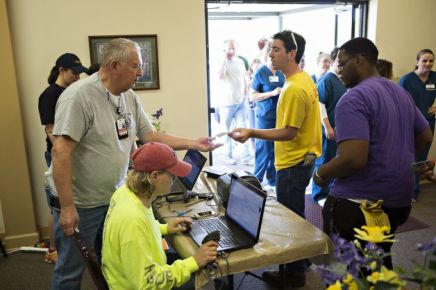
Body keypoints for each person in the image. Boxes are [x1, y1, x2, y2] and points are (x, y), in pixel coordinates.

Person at [49, 38, 219, 290]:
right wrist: (67, 207)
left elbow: (149, 136)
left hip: (113, 194)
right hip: (83, 202)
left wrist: (193, 143)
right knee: (70, 269)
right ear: (115, 65)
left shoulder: (128, 96)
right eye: (136, 66)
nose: (141, 73)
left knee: (114, 259)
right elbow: (60, 152)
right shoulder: (79, 97)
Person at [313, 38, 433, 269]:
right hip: (398, 200)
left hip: (359, 203)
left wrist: (321, 173)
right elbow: (425, 136)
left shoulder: (353, 98)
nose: (338, 71)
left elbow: (352, 159)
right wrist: (398, 157)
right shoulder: (399, 92)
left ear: (359, 60)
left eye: (341, 64)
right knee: (378, 261)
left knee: (351, 270)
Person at [230, 30, 322, 287]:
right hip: (302, 159)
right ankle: (301, 261)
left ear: (292, 54)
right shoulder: (304, 80)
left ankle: (293, 275)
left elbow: (288, 132)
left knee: (290, 220)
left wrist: (252, 132)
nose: (270, 53)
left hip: (293, 164)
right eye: (271, 49)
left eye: (276, 49)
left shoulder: (293, 88)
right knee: (297, 215)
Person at [102, 142, 218, 289]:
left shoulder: (127, 192)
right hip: (138, 283)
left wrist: (165, 228)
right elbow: (146, 283)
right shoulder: (133, 219)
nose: (175, 178)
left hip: (134, 271)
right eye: (172, 175)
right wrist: (194, 262)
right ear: (154, 176)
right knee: (209, 275)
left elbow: (143, 230)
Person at [38, 53, 88, 264]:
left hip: (70, 154)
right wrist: (63, 153)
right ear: (61, 70)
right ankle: (53, 250)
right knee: (59, 204)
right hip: (58, 155)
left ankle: (56, 247)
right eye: (73, 72)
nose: (77, 76)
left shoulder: (72, 92)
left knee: (64, 202)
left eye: (79, 73)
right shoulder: (50, 95)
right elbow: (51, 130)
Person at [311, 47, 347, 204]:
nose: (342, 66)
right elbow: (320, 105)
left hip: (340, 128)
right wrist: (327, 127)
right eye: (339, 62)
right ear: (333, 62)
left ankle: (331, 192)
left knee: (335, 160)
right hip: (328, 129)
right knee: (324, 160)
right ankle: (319, 194)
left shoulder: (343, 80)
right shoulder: (327, 80)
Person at [400, 49, 436, 201]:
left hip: (428, 122)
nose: (428, 64)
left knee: (421, 157)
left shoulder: (434, 77)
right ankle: (404, 190)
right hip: (410, 123)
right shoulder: (407, 79)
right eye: (424, 61)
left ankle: (414, 190)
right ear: (417, 62)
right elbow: (399, 101)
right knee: (408, 157)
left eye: (431, 61)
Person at [250, 57, 285, 187]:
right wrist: (271, 93)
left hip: (279, 117)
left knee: (275, 150)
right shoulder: (260, 73)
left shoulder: (281, 73)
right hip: (264, 116)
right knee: (263, 148)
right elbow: (252, 96)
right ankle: (255, 180)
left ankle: (273, 181)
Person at [216, 39, 250, 165]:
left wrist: (247, 89)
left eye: (233, 48)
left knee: (243, 128)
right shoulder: (221, 61)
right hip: (226, 102)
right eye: (228, 49)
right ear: (224, 49)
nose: (231, 51)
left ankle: (246, 157)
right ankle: (227, 155)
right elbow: (219, 76)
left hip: (241, 101)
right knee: (227, 130)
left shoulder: (240, 61)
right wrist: (225, 59)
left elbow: (244, 76)